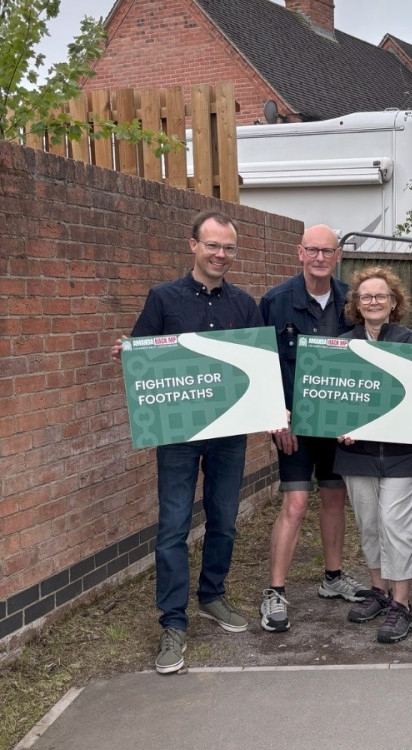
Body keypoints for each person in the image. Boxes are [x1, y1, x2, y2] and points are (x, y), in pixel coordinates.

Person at [111, 211, 263, 675]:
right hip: (177, 435)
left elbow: (259, 366)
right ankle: (173, 622)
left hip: (229, 434)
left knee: (224, 520)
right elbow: (142, 358)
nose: (221, 255)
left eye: (229, 248)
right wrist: (128, 353)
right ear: (192, 245)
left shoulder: (244, 305)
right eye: (213, 245)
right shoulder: (164, 299)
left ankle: (212, 596)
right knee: (174, 527)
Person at [257, 225, 367, 634]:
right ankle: (275, 591)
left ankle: (333, 577)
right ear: (300, 253)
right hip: (294, 427)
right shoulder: (275, 301)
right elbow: (262, 363)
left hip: (338, 426)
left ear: (338, 254)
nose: (320, 258)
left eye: (328, 251)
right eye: (313, 251)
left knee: (335, 498)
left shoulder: (352, 301)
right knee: (297, 504)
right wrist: (276, 417)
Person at [333, 267, 412, 643]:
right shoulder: (342, 346)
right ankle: (378, 592)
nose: (374, 302)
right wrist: (337, 425)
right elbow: (334, 403)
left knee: (395, 525)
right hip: (356, 453)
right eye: (366, 296)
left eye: (381, 296)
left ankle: (402, 605)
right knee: (368, 525)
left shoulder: (410, 343)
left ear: (394, 303)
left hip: (400, 453)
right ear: (356, 304)